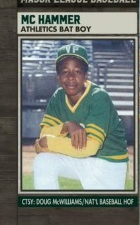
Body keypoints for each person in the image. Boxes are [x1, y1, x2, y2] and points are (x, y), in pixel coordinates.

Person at [33, 43, 129, 190]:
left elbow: (90, 147)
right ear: (58, 76)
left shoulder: (99, 97)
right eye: (65, 72)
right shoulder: (58, 96)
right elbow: (45, 133)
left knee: (102, 213)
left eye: (77, 72)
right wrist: (67, 126)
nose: (71, 77)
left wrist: (47, 143)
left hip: (109, 164)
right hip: (81, 159)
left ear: (86, 75)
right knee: (43, 161)